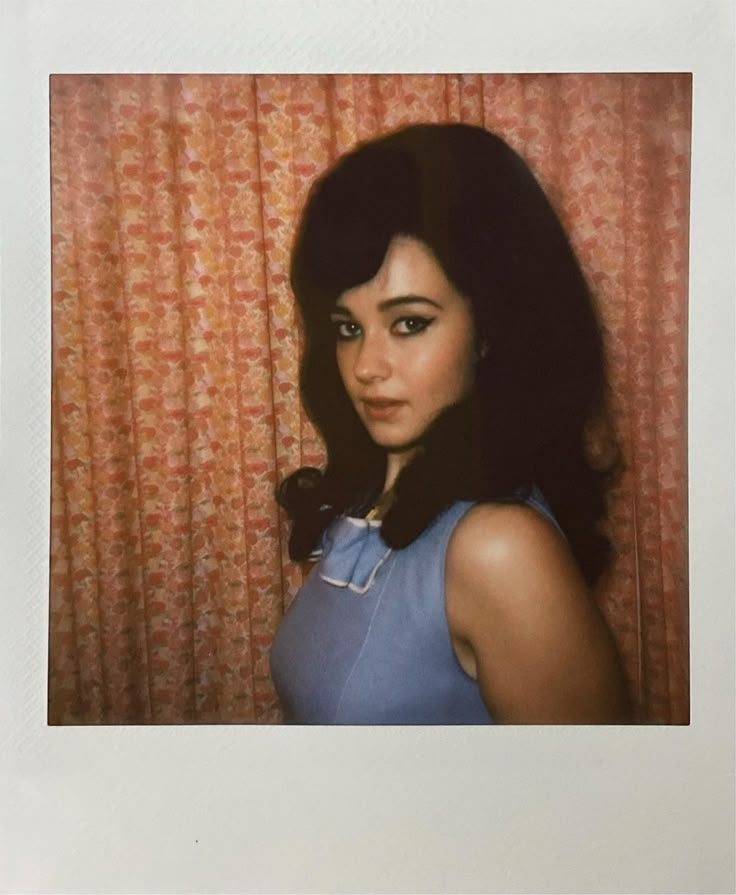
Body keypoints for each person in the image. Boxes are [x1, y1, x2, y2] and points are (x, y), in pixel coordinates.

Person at [269, 122, 632, 724]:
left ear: (490, 327)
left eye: (409, 322)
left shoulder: (499, 548)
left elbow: (594, 802)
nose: (366, 367)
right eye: (348, 327)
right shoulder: (363, 512)